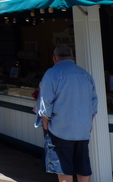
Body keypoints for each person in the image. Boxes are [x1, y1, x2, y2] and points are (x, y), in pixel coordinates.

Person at [35, 44, 97, 182]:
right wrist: (89, 122)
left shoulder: (52, 73)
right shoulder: (85, 74)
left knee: (63, 167)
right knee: (83, 166)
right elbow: (94, 103)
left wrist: (45, 122)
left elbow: (46, 101)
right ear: (72, 57)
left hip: (60, 128)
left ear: (54, 58)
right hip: (82, 129)